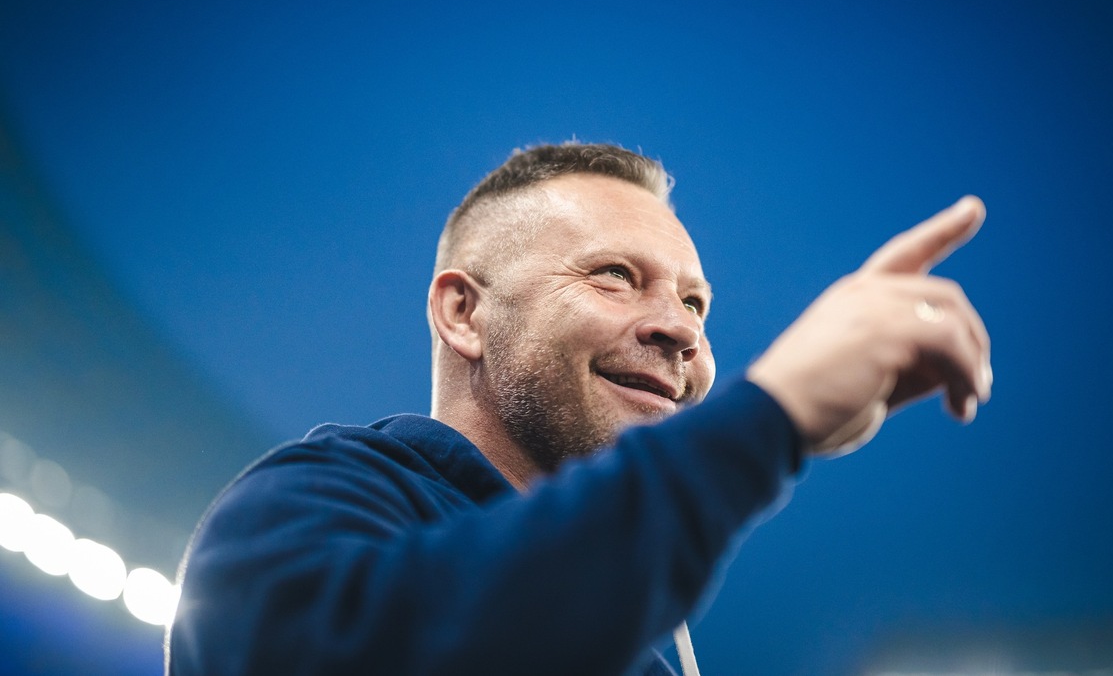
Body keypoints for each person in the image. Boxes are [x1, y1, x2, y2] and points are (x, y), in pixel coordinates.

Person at [165, 142, 991, 675]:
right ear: (464, 313)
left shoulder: (637, 636)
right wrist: (770, 416)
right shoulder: (307, 503)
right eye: (615, 276)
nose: (682, 330)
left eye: (696, 303)